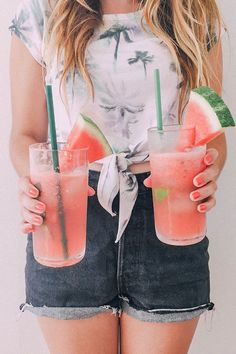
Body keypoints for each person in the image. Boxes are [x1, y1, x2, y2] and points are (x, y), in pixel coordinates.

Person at [9, 0, 226, 353]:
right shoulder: (40, 11)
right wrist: (34, 184)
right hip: (69, 212)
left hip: (169, 207)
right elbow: (25, 135)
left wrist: (208, 170)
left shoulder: (194, 10)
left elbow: (211, 128)